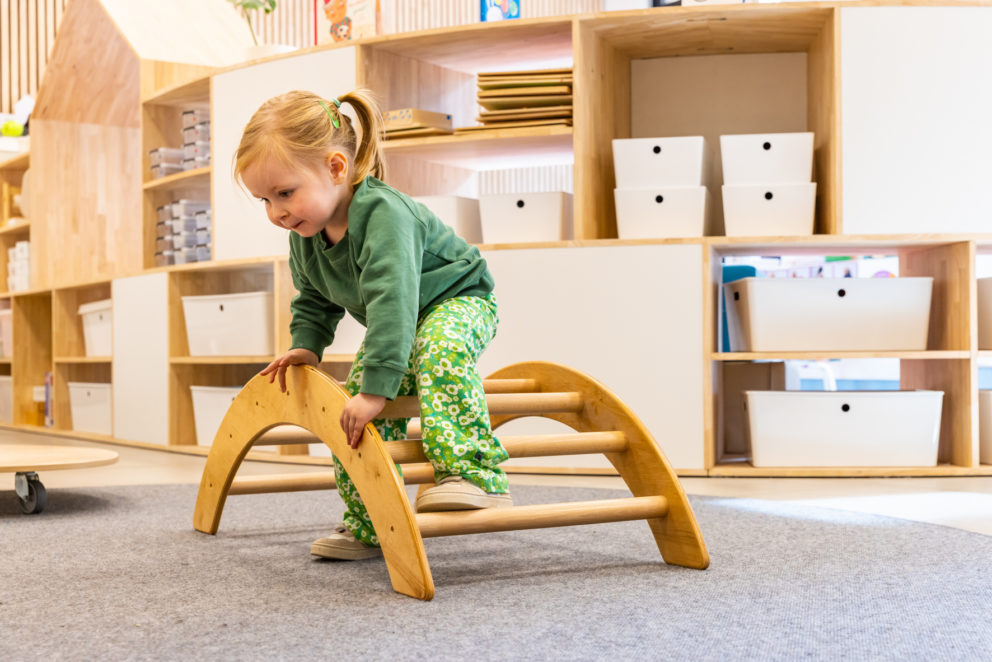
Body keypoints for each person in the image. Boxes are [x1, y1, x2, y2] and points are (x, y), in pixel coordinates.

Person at [234, 89, 511, 561]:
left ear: (336, 168)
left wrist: (379, 390)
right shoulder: (306, 231)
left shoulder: (383, 214)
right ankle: (370, 518)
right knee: (352, 404)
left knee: (437, 351)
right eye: (264, 199)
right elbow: (315, 298)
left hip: (458, 300)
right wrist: (307, 346)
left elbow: (392, 298)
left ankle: (473, 472)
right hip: (401, 319)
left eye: (284, 193)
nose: (276, 212)